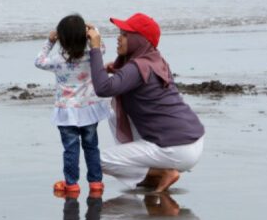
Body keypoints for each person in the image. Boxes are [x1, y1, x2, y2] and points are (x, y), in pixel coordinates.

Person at [86, 13, 205, 192]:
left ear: (139, 41)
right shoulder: (156, 59)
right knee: (113, 115)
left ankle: (159, 173)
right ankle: (145, 171)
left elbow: (103, 88)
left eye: (125, 35)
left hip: (175, 148)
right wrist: (116, 69)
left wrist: (95, 49)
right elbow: (133, 78)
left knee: (97, 160)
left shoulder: (137, 67)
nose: (118, 38)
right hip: (191, 141)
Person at [36, 14, 110, 198]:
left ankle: (72, 184)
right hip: (89, 109)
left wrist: (49, 41)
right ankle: (95, 182)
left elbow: (39, 61)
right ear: (84, 36)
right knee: (92, 146)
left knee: (70, 148)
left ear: (61, 38)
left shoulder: (58, 60)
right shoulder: (93, 55)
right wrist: (95, 30)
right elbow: (101, 46)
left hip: (67, 111)